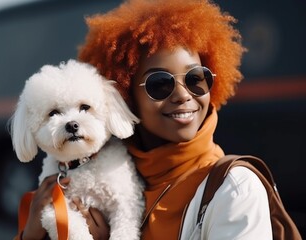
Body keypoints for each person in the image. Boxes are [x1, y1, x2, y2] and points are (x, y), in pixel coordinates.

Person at [16, 0, 274, 239]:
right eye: (159, 84)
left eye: (196, 78)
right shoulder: (111, 166)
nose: (183, 95)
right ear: (128, 95)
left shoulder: (235, 189)